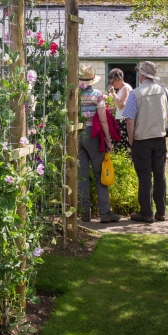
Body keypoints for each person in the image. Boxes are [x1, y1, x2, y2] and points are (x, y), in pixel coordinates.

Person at [122, 61, 168, 223]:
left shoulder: (136, 93)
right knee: (160, 175)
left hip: (141, 140)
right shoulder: (164, 91)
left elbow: (130, 120)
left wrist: (131, 141)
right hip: (160, 139)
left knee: (145, 176)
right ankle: (161, 212)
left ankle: (146, 213)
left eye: (140, 73)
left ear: (142, 75)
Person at [77, 64, 121, 223]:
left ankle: (85, 212)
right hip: (92, 136)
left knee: (81, 175)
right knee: (99, 173)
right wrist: (108, 139)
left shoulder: (72, 94)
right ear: (91, 80)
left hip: (76, 136)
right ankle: (104, 212)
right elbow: (102, 119)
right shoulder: (97, 95)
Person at [107, 68, 132, 152]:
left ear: (120, 79)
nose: (112, 85)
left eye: (113, 82)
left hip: (124, 121)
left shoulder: (125, 88)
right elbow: (120, 106)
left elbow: (121, 105)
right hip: (120, 120)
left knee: (123, 147)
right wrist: (112, 110)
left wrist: (113, 93)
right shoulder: (121, 89)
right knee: (118, 145)